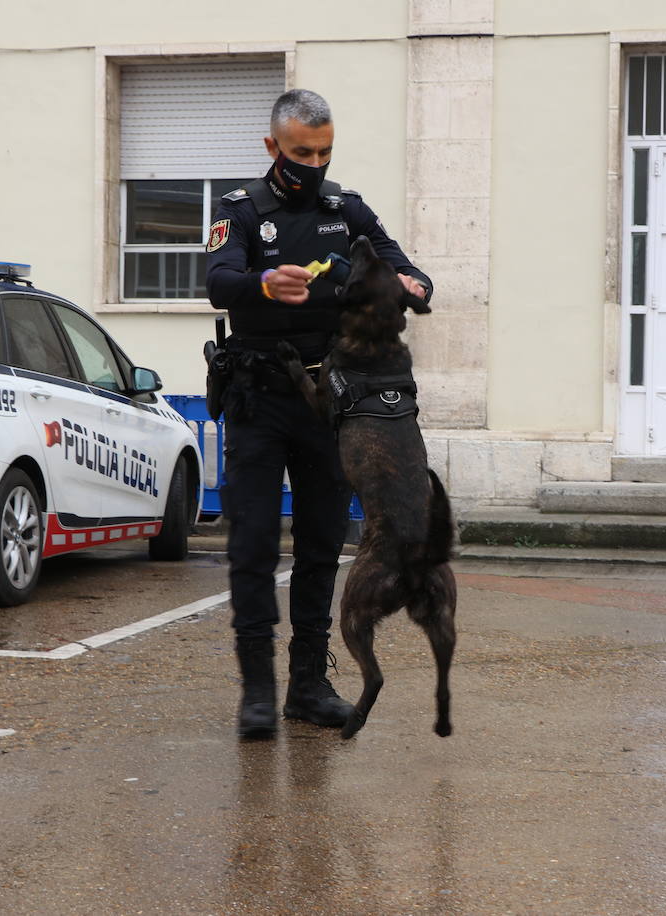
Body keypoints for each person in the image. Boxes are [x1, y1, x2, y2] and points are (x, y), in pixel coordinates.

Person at [205, 89, 433, 739]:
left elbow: (403, 266)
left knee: (321, 544)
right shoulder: (241, 212)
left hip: (330, 402)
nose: (314, 163)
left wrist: (414, 284)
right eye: (302, 152)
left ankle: (307, 685)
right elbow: (219, 280)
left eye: (324, 151)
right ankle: (257, 691)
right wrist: (262, 285)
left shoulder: (345, 211)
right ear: (272, 146)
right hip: (258, 399)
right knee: (251, 545)